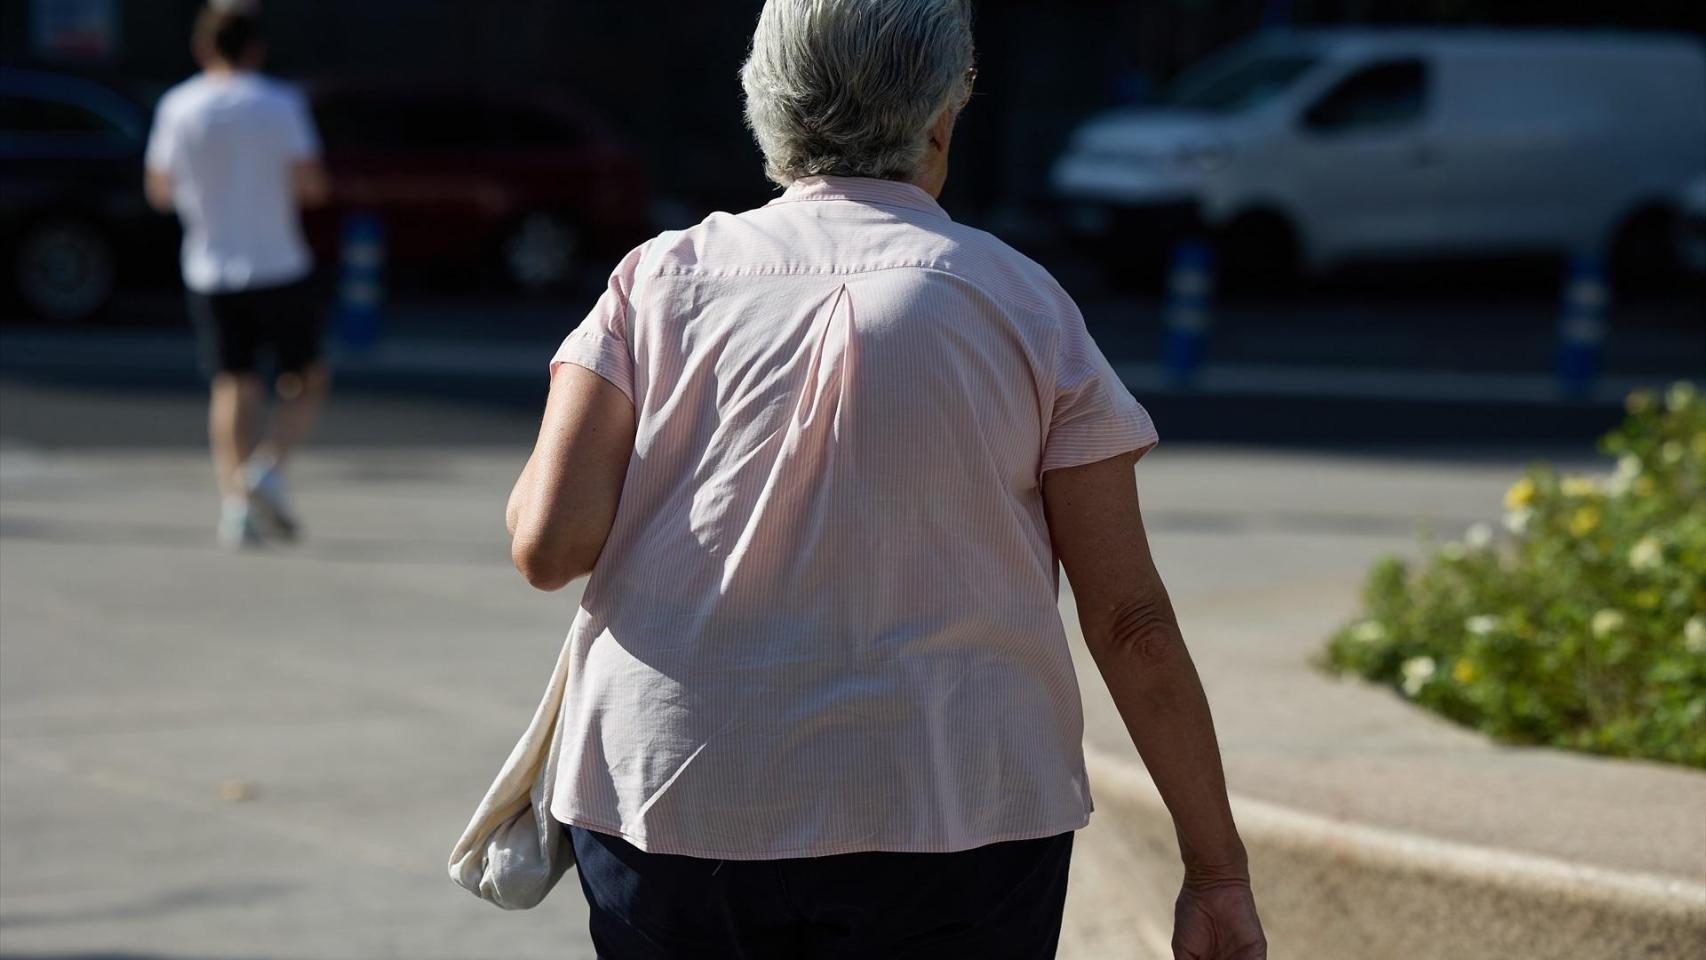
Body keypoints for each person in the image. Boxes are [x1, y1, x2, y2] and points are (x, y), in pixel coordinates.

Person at [503, 1, 1267, 956]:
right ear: (941, 118)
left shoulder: (658, 279)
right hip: (958, 809)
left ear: (764, 105)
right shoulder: (1022, 300)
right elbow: (1130, 624)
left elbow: (547, 544)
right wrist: (1216, 871)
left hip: (678, 795)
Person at [145, 2, 330, 548]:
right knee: (307, 377)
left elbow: (159, 190)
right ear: (256, 48)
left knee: (233, 385)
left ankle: (235, 507)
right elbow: (312, 185)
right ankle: (267, 469)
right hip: (278, 262)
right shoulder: (280, 103)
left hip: (209, 265)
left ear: (202, 48)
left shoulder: (178, 105)